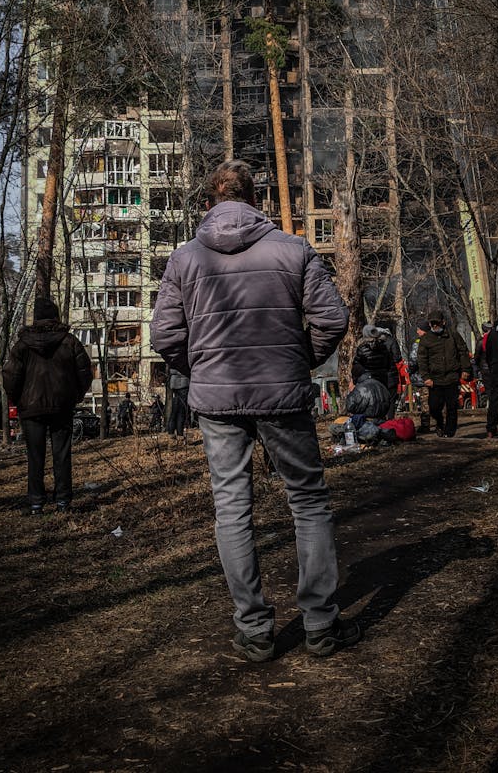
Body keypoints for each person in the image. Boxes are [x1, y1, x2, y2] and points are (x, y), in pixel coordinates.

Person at [151, 159, 360, 661]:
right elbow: (333, 318)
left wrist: (201, 368)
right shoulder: (294, 249)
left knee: (232, 507)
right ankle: (320, 625)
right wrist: (298, 360)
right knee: (307, 501)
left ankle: (255, 629)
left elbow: (164, 336)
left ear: (208, 202)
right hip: (282, 394)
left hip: (217, 399)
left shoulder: (184, 260)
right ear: (255, 200)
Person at [3, 297, 93, 515]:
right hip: (62, 407)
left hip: (31, 408)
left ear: (36, 319)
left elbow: (10, 376)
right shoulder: (69, 342)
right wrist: (75, 396)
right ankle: (63, 502)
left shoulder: (22, 345)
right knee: (62, 455)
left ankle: (36, 503)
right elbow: (85, 373)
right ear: (56, 317)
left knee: (35, 457)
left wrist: (18, 400)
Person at [416, 310, 471, 438]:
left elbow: (463, 351)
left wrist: (466, 369)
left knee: (452, 406)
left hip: (452, 377)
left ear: (443, 322)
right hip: (435, 379)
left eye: (437, 323)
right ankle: (439, 422)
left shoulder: (453, 335)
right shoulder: (426, 339)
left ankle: (450, 432)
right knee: (434, 407)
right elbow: (422, 360)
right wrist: (426, 377)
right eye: (432, 324)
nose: (435, 326)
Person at [351, 323, 401, 417]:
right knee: (387, 403)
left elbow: (356, 366)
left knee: (374, 403)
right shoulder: (384, 346)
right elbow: (392, 361)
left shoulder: (362, 349)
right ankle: (389, 424)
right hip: (385, 378)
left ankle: (378, 424)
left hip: (370, 380)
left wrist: (355, 380)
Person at [165, 368, 190, 440]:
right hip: (183, 384)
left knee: (174, 409)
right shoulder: (184, 358)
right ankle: (180, 434)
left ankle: (171, 432)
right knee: (181, 411)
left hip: (174, 384)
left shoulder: (173, 359)